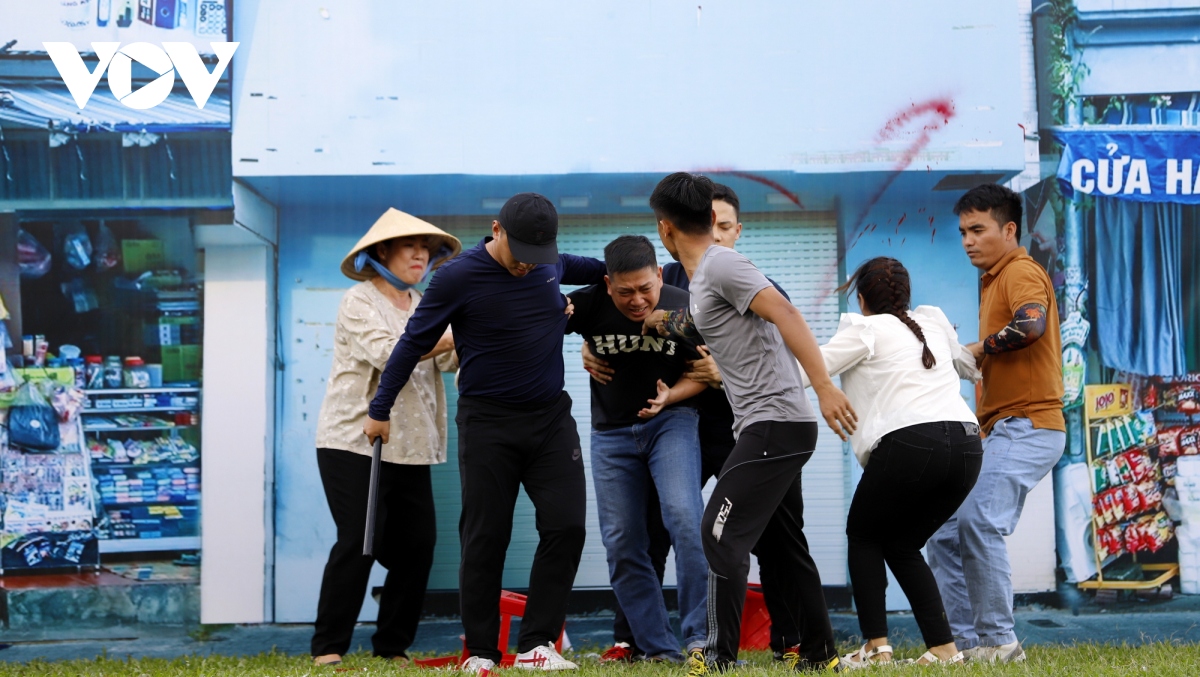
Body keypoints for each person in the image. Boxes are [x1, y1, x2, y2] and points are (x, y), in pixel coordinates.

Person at [364, 193, 606, 676]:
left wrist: (587, 312)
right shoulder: (457, 276)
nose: (526, 267)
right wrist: (380, 408)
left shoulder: (550, 263)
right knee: (485, 536)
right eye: (520, 256)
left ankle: (538, 643)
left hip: (550, 420)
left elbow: (607, 273)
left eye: (536, 258)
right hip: (487, 422)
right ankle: (481, 652)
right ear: (497, 231)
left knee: (566, 526)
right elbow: (414, 341)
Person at [645, 172, 857, 673]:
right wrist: (662, 321)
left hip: (775, 424)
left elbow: (785, 314)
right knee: (784, 544)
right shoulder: (703, 281)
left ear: (664, 229)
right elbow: (708, 320)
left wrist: (825, 387)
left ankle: (717, 658)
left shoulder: (722, 265)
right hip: (771, 426)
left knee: (718, 533)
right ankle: (820, 654)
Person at [585, 184, 801, 662]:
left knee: (761, 530)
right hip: (684, 424)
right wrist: (592, 342)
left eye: (724, 228)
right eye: (708, 227)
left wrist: (719, 373)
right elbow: (601, 302)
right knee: (648, 531)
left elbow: (777, 343)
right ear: (674, 232)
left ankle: (784, 638)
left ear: (735, 231)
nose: (715, 238)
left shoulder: (742, 279)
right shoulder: (666, 283)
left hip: (741, 426)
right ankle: (643, 641)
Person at [798, 256, 983, 667]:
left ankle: (876, 648)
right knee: (902, 544)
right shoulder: (932, 323)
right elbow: (969, 367)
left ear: (862, 299)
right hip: (968, 446)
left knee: (863, 534)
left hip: (913, 442)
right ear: (907, 295)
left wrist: (727, 374)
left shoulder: (864, 328)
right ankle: (944, 649)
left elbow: (808, 369)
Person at [310, 208, 461, 667]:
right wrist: (452, 333)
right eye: (410, 247)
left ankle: (391, 647)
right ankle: (328, 647)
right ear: (382, 252)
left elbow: (445, 363)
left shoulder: (422, 305)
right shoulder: (358, 301)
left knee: (418, 549)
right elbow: (389, 352)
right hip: (353, 440)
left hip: (412, 445)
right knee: (358, 540)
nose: (421, 256)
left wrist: (473, 332)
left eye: (427, 250)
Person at [927, 183, 1066, 664]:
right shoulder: (990, 280)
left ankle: (999, 644)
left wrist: (977, 349)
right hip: (999, 429)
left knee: (978, 519)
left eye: (978, 230)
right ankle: (967, 646)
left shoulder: (1020, 271)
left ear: (1009, 230)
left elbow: (1031, 325)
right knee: (944, 530)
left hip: (1030, 424)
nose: (967, 240)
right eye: (963, 231)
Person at [566, 235, 709, 663]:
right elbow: (541, 321)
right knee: (623, 540)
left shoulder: (684, 304)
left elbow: (706, 370)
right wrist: (584, 347)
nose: (637, 300)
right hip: (610, 434)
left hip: (673, 423)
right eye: (625, 291)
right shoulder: (589, 303)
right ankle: (657, 648)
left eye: (646, 288)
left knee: (685, 519)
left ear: (660, 276)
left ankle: (701, 639)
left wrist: (672, 396)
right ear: (608, 284)